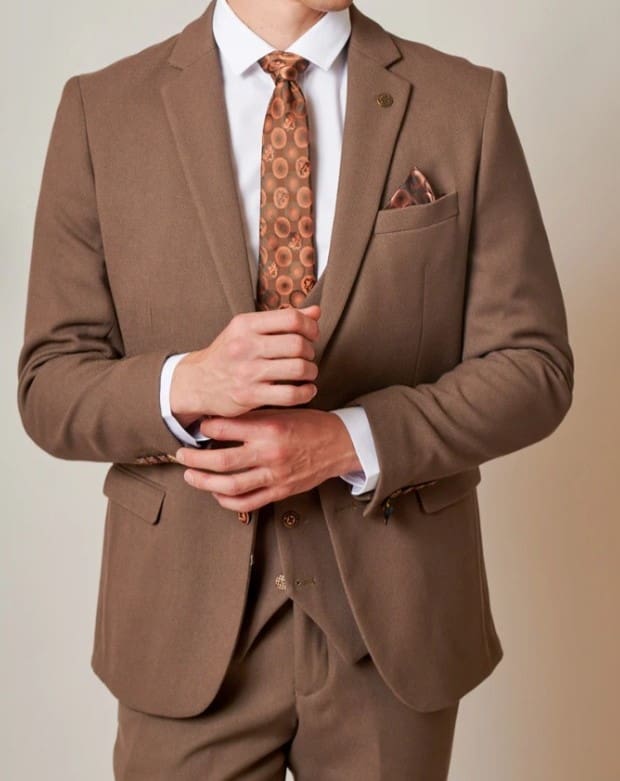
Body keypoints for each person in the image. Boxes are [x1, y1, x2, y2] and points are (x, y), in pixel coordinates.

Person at [17, 0, 574, 778]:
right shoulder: (102, 111)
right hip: (180, 625)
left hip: (392, 627)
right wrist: (188, 382)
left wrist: (350, 439)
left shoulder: (462, 101)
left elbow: (534, 365)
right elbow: (49, 383)